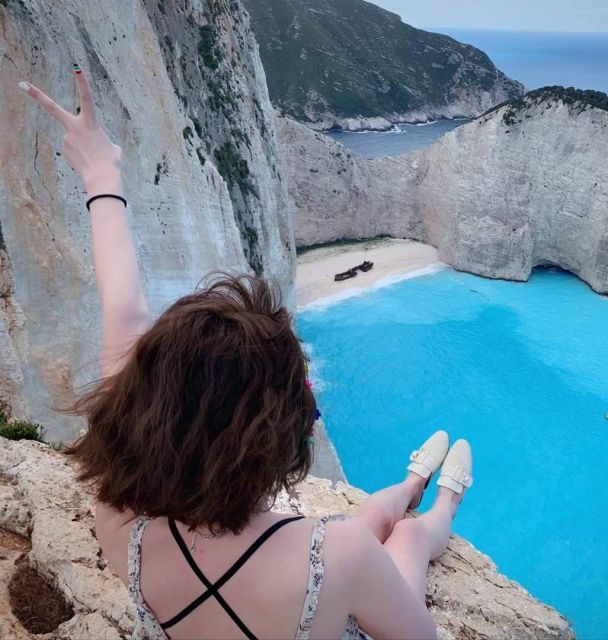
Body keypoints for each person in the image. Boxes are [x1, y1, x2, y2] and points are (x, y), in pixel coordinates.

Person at [17, 65, 474, 640]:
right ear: (273, 440)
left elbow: (124, 313)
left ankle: (413, 482)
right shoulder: (343, 557)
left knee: (379, 514)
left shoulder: (119, 521)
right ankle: (443, 502)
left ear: (148, 411)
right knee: (403, 535)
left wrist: (100, 175)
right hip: (329, 582)